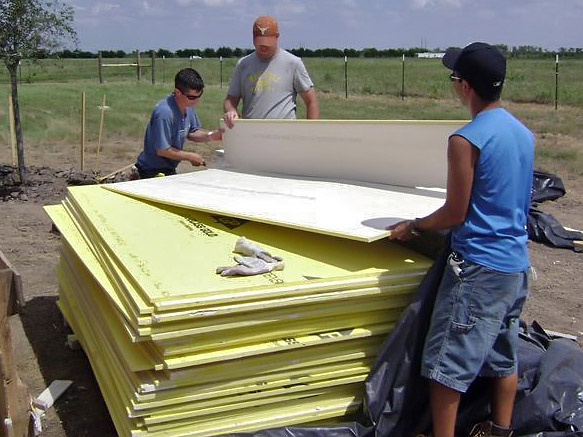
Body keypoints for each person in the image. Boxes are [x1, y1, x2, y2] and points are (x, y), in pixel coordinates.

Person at [389, 42, 534, 437]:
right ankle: (500, 429)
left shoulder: (465, 140)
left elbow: (456, 213)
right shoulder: (522, 134)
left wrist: (415, 225)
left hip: (477, 270)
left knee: (445, 368)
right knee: (504, 356)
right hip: (514, 265)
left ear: (465, 86)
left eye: (455, 79)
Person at [223, 15, 319, 128]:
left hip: (284, 134)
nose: (263, 47)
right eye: (260, 43)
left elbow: (311, 101)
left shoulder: (293, 63)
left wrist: (311, 132)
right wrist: (231, 111)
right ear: (253, 38)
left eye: (268, 43)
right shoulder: (243, 64)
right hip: (252, 133)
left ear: (277, 37)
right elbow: (231, 99)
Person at [134, 68, 222, 179]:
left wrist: (212, 136)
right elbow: (162, 150)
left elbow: (191, 132)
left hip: (168, 169)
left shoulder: (187, 106)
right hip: (151, 172)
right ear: (177, 92)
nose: (196, 101)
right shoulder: (164, 113)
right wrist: (190, 156)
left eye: (199, 96)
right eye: (192, 97)